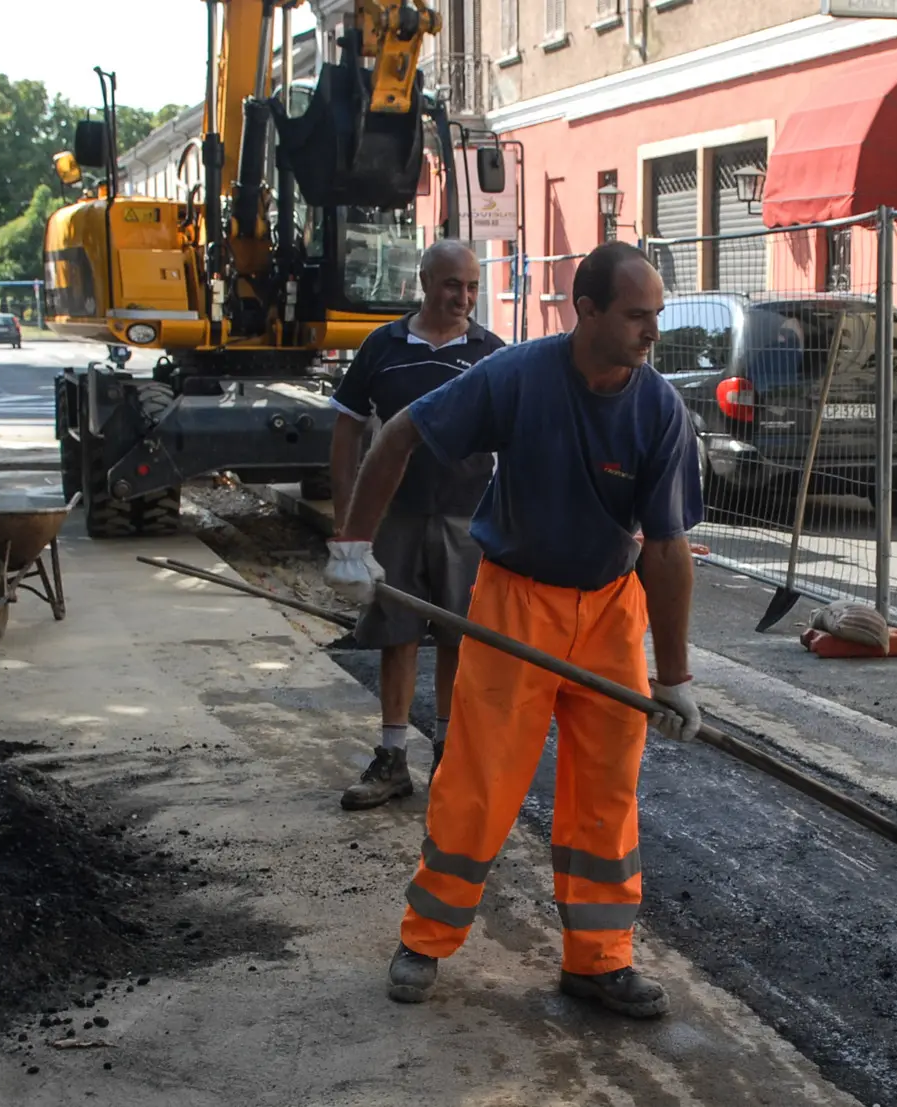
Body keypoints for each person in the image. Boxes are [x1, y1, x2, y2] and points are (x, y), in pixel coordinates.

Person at [324, 241, 704, 1019]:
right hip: (514, 602)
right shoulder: (518, 376)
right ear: (586, 309)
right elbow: (398, 432)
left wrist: (674, 677)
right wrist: (354, 544)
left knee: (606, 793)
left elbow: (665, 550)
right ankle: (425, 938)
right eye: (637, 315)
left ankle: (598, 961)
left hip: (607, 608)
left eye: (657, 316)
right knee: (480, 777)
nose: (650, 332)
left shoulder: (660, 409)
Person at [327, 238, 505, 811]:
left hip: (466, 519)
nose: (464, 297)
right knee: (397, 635)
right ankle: (393, 760)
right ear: (424, 282)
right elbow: (348, 428)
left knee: (458, 638)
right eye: (453, 284)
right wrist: (347, 526)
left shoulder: (492, 354)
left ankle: (450, 757)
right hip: (396, 517)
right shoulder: (383, 346)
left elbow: (519, 441)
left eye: (473, 286)